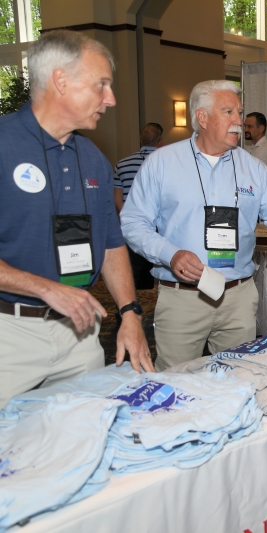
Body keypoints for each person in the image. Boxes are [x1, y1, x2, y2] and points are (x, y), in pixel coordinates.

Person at [121, 80, 267, 372]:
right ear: (202, 117)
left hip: (237, 297)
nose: (238, 121)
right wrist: (170, 254)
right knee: (177, 381)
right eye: (228, 112)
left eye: (239, 112)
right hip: (182, 297)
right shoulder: (162, 163)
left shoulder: (253, 168)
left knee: (239, 380)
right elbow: (133, 223)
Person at [0, 30, 154, 409]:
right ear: (61, 80)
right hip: (10, 334)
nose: (111, 98)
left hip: (81, 334)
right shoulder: (4, 144)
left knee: (84, 430)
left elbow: (111, 244)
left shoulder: (94, 158)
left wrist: (130, 313)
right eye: (101, 84)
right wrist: (45, 289)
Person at [114, 122, 163, 291]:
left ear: (140, 140)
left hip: (133, 226)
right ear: (160, 141)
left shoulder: (122, 164)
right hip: (160, 226)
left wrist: (129, 220)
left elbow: (117, 199)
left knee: (132, 271)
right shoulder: (165, 163)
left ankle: (128, 303)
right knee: (160, 269)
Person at [244, 111, 267, 179]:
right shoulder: (257, 147)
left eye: (249, 126)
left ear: (261, 129)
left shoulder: (265, 149)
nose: (245, 129)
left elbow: (247, 176)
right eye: (245, 126)